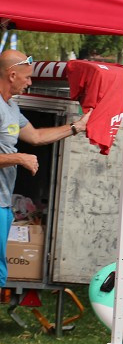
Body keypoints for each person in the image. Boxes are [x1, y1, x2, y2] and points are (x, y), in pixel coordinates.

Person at [0, 50, 90, 286]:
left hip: (4, 203)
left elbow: (37, 136)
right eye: (27, 77)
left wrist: (76, 127)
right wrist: (19, 158)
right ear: (11, 75)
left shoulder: (11, 109)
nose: (30, 83)